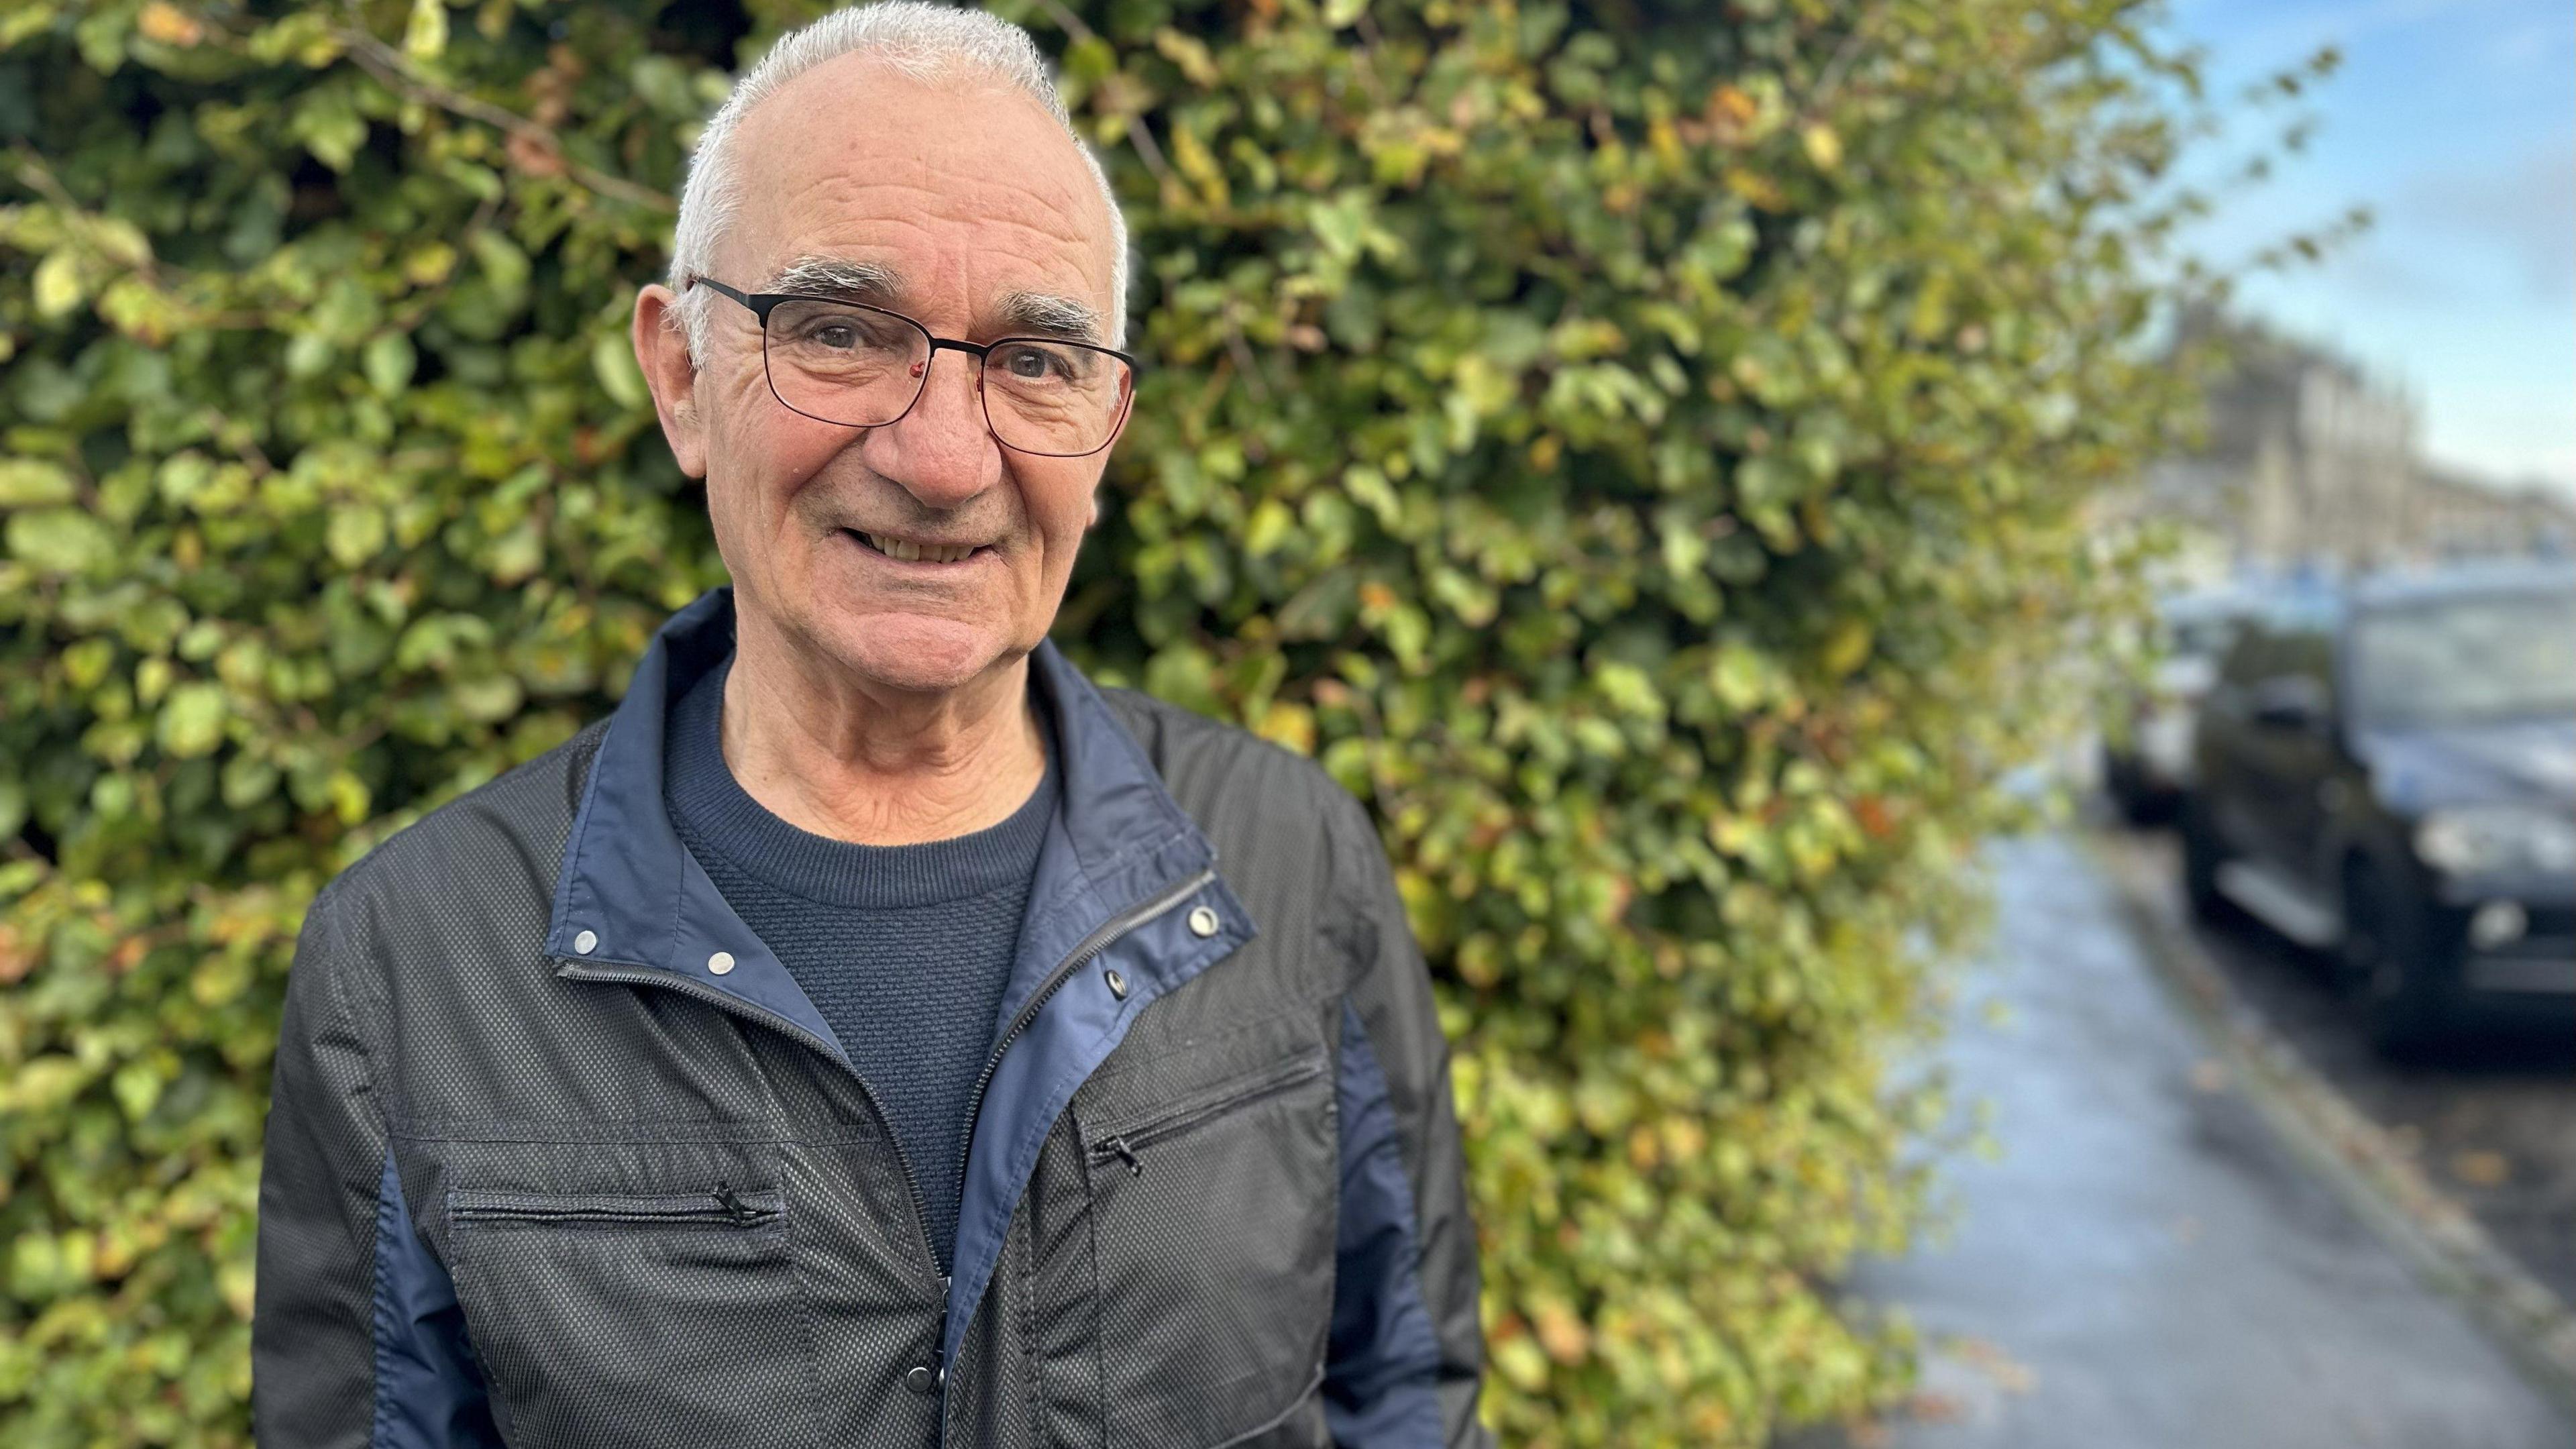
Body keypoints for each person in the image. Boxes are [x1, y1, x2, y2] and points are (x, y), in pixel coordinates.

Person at [248, 4, 1488, 1446]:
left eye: (1036, 358)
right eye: (839, 331)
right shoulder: (412, 968)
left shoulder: (1285, 862)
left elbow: (1405, 1392)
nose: (947, 458)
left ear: (1107, 425)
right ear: (679, 375)